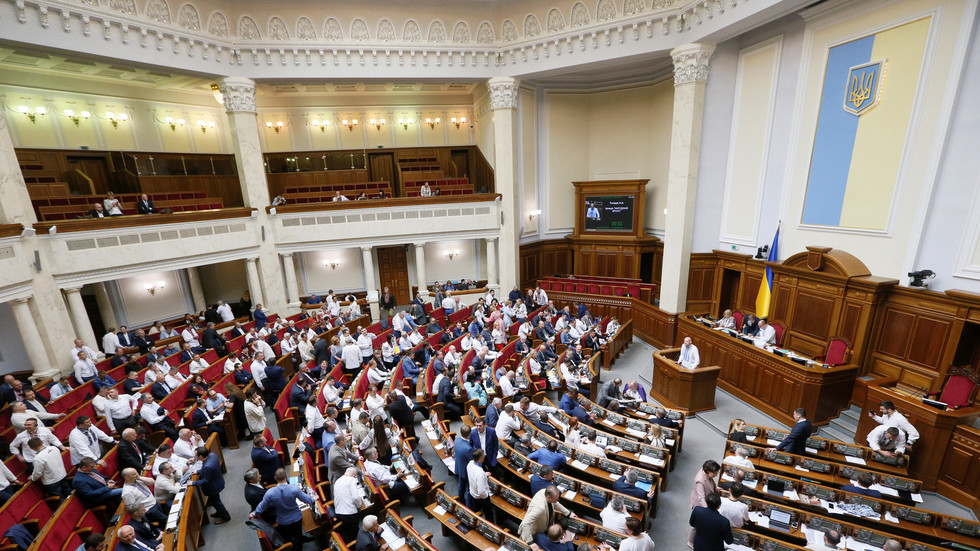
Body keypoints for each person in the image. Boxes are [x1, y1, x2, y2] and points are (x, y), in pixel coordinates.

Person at [252, 468, 315, 550]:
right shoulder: (294, 489)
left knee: (287, 537)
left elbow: (262, 506)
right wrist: (313, 498)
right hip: (296, 518)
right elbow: (307, 500)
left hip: (282, 521)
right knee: (298, 536)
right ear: (286, 476)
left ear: (275, 478)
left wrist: (254, 513)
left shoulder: (270, 493)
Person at [188, 446, 230, 524]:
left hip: (213, 487)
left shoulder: (207, 466)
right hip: (217, 480)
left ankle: (226, 516)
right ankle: (219, 512)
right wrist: (198, 471)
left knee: (217, 502)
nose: (195, 456)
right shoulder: (212, 455)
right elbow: (207, 470)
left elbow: (206, 480)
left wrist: (193, 483)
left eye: (196, 455)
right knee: (214, 502)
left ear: (201, 456)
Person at [688, 460, 721, 546]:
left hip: (706, 499)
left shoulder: (706, 473)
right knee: (696, 525)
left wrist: (716, 488)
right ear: (708, 471)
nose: (716, 475)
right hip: (699, 504)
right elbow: (701, 498)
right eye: (714, 473)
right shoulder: (700, 480)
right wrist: (707, 511)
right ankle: (690, 541)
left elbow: (710, 481)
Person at [334, 467, 366, 543]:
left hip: (338, 512)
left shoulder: (337, 480)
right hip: (350, 514)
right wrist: (359, 506)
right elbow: (355, 497)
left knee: (347, 533)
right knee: (354, 534)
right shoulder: (352, 480)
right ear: (354, 475)